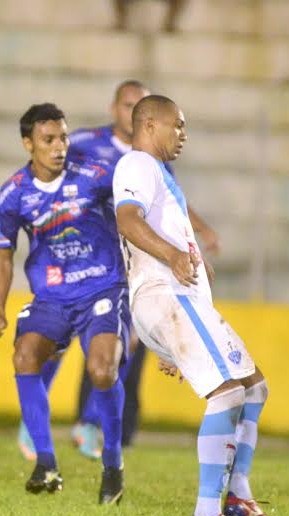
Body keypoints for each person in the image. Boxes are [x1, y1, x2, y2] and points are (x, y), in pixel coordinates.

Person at [113, 94, 272, 516]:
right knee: (228, 393)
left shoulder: (159, 173)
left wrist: (193, 259)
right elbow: (127, 219)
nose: (183, 134)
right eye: (177, 125)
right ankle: (207, 512)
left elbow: (159, 227)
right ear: (150, 125)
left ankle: (238, 494)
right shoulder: (138, 164)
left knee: (253, 387)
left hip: (178, 301)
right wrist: (175, 256)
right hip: (167, 297)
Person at [62, 79, 220, 458]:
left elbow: (171, 204)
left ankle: (110, 427)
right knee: (105, 340)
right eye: (127, 104)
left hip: (134, 262)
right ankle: (86, 422)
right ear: (116, 109)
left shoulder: (153, 162)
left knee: (127, 345)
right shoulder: (88, 144)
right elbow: (47, 169)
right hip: (98, 259)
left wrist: (196, 238)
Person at [0, 103, 131, 504]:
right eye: (48, 139)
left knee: (102, 369)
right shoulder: (13, 194)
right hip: (52, 295)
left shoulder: (95, 176)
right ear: (28, 144)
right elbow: (3, 254)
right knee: (25, 355)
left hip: (103, 287)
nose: (59, 147)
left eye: (63, 137)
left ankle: (113, 464)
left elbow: (135, 206)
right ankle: (46, 463)